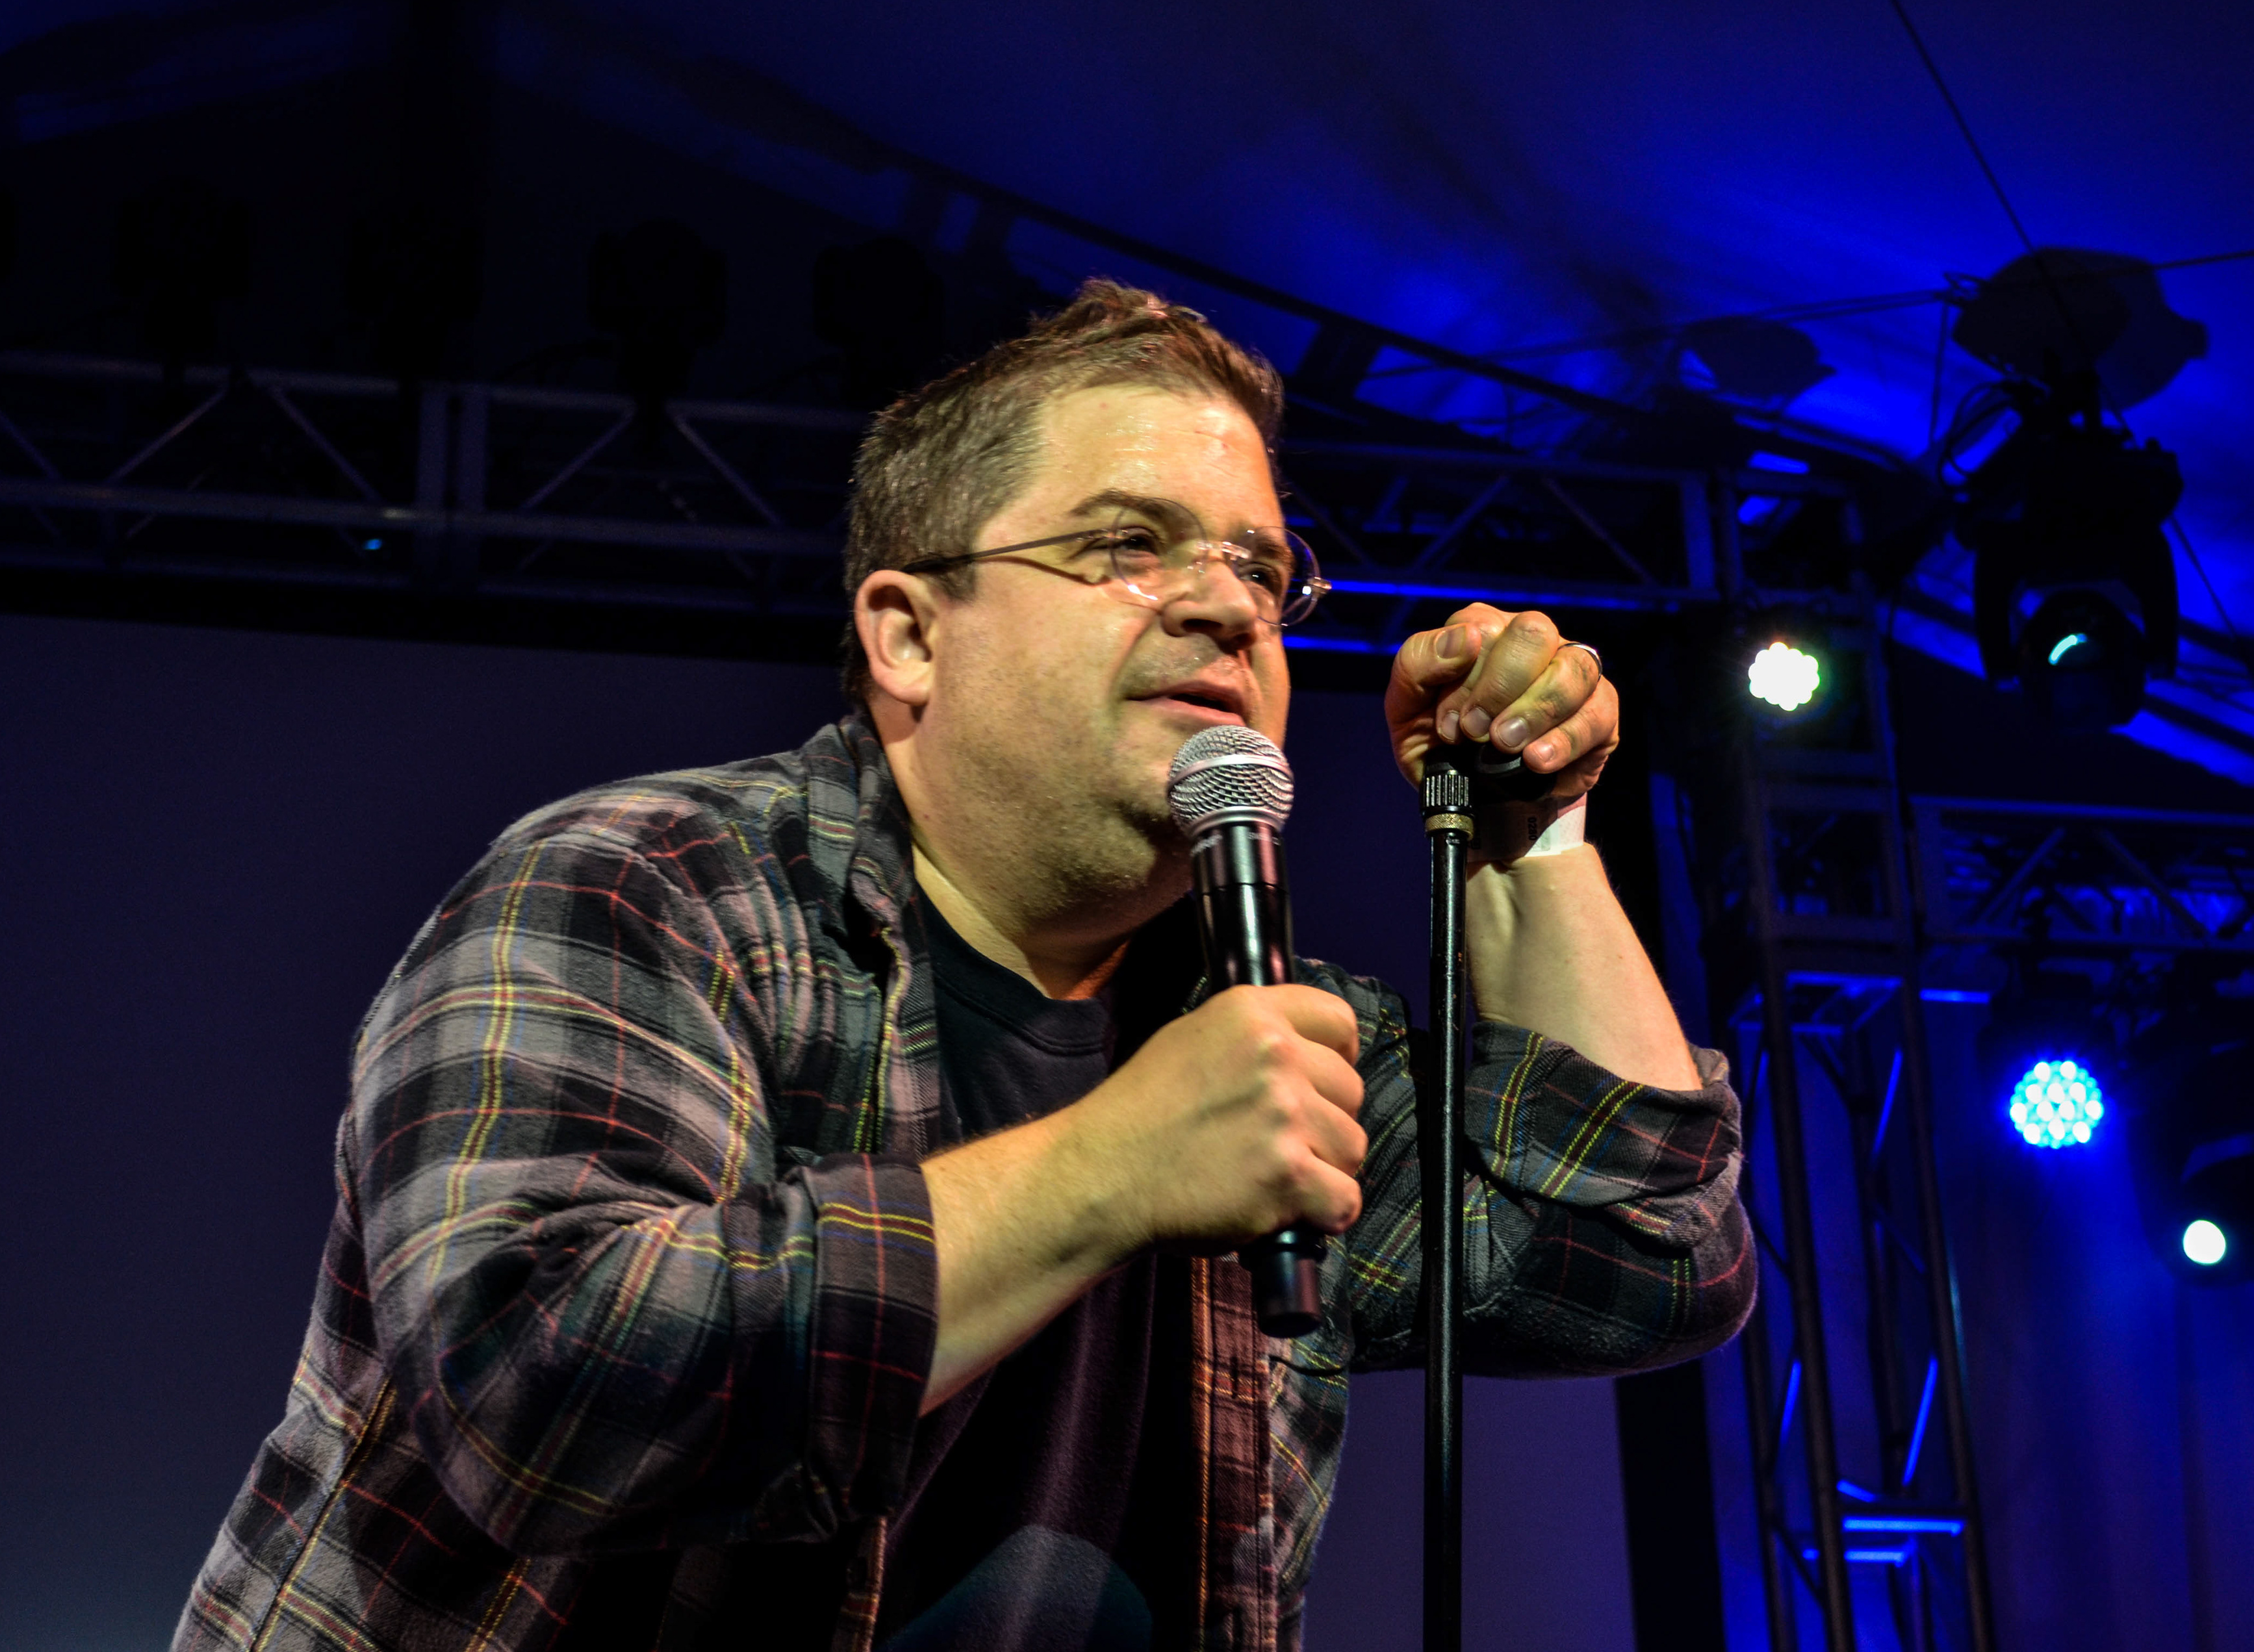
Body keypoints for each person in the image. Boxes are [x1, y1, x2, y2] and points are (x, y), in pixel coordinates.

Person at [176, 281, 1753, 1652]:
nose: (1227, 603)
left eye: (1265, 572)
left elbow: (1650, 1253)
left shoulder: (1260, 1021)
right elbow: (546, 1382)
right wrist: (1113, 1168)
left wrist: (1530, 839)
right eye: (1127, 545)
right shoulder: (648, 888)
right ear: (909, 636)